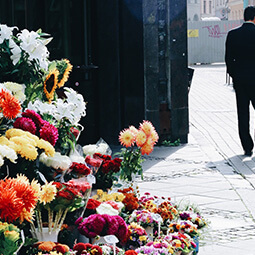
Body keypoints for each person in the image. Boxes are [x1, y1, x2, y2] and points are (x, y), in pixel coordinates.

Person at [225, 6, 255, 156]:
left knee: (243, 113)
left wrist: (235, 75)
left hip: (240, 81)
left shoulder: (233, 34)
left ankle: (247, 146)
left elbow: (228, 60)